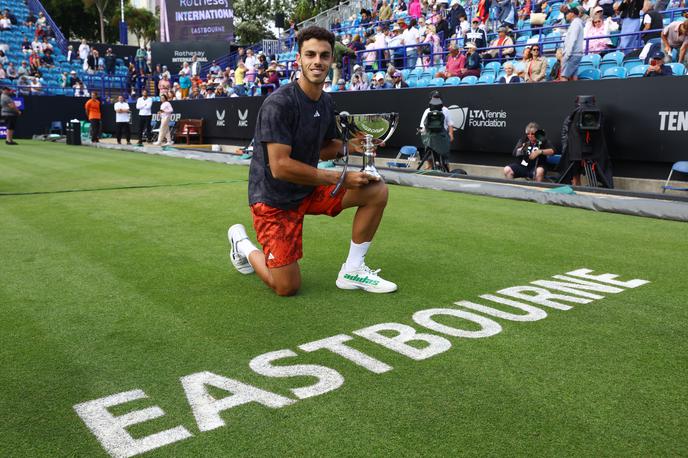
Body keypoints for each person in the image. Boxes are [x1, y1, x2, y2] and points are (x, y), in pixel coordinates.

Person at [227, 26, 397, 296]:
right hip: (273, 199)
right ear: (299, 60)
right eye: (310, 54)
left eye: (324, 55)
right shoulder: (278, 104)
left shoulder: (325, 102)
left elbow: (323, 150)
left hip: (307, 189)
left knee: (376, 190)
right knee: (287, 287)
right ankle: (243, 246)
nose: (317, 61)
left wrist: (353, 146)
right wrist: (341, 178)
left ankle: (353, 270)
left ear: (331, 60)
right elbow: (280, 167)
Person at [418, 91, 455, 170]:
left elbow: (450, 124)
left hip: (442, 138)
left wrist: (451, 134)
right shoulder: (427, 111)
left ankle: (447, 173)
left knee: (445, 162)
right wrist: (424, 137)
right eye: (434, 98)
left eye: (437, 98)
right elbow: (422, 127)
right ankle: (428, 171)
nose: (435, 100)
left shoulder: (446, 110)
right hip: (430, 138)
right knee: (429, 161)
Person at [560, 6, 585, 81]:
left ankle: (562, 92)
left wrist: (567, 54)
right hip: (576, 54)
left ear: (572, 14)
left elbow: (572, 39)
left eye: (567, 13)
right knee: (574, 78)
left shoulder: (575, 24)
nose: (566, 15)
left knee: (564, 76)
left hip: (572, 54)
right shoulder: (578, 23)